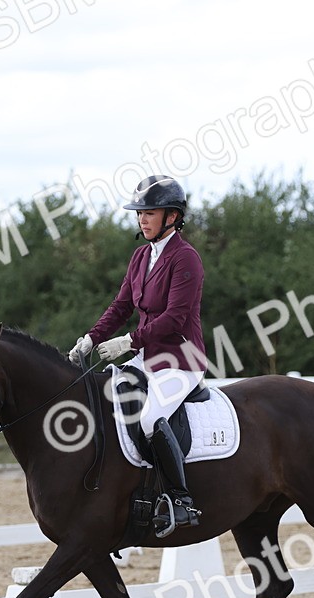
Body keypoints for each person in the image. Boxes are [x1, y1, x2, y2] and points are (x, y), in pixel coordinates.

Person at [68, 175, 206, 535]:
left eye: (149, 213)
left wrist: (129, 341)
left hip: (181, 360)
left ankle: (181, 501)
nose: (142, 219)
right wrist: (91, 338)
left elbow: (175, 317)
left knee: (149, 419)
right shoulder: (141, 256)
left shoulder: (186, 258)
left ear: (172, 216)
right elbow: (121, 306)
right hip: (146, 358)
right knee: (106, 404)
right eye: (139, 213)